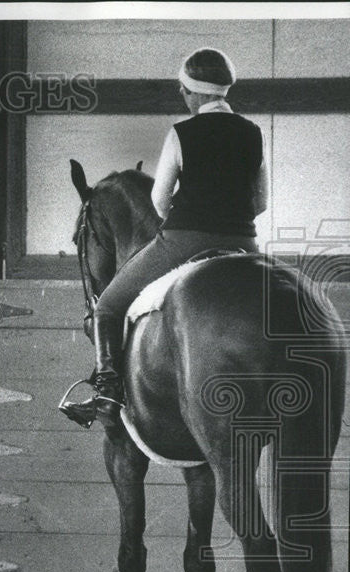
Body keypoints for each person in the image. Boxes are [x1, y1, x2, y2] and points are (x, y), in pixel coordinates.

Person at [62, 48, 267, 428]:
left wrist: (190, 216)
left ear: (195, 93)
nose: (184, 98)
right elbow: (261, 203)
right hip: (245, 245)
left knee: (108, 305)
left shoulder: (181, 133)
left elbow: (158, 201)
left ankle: (107, 392)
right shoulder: (253, 133)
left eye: (185, 92)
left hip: (184, 241)